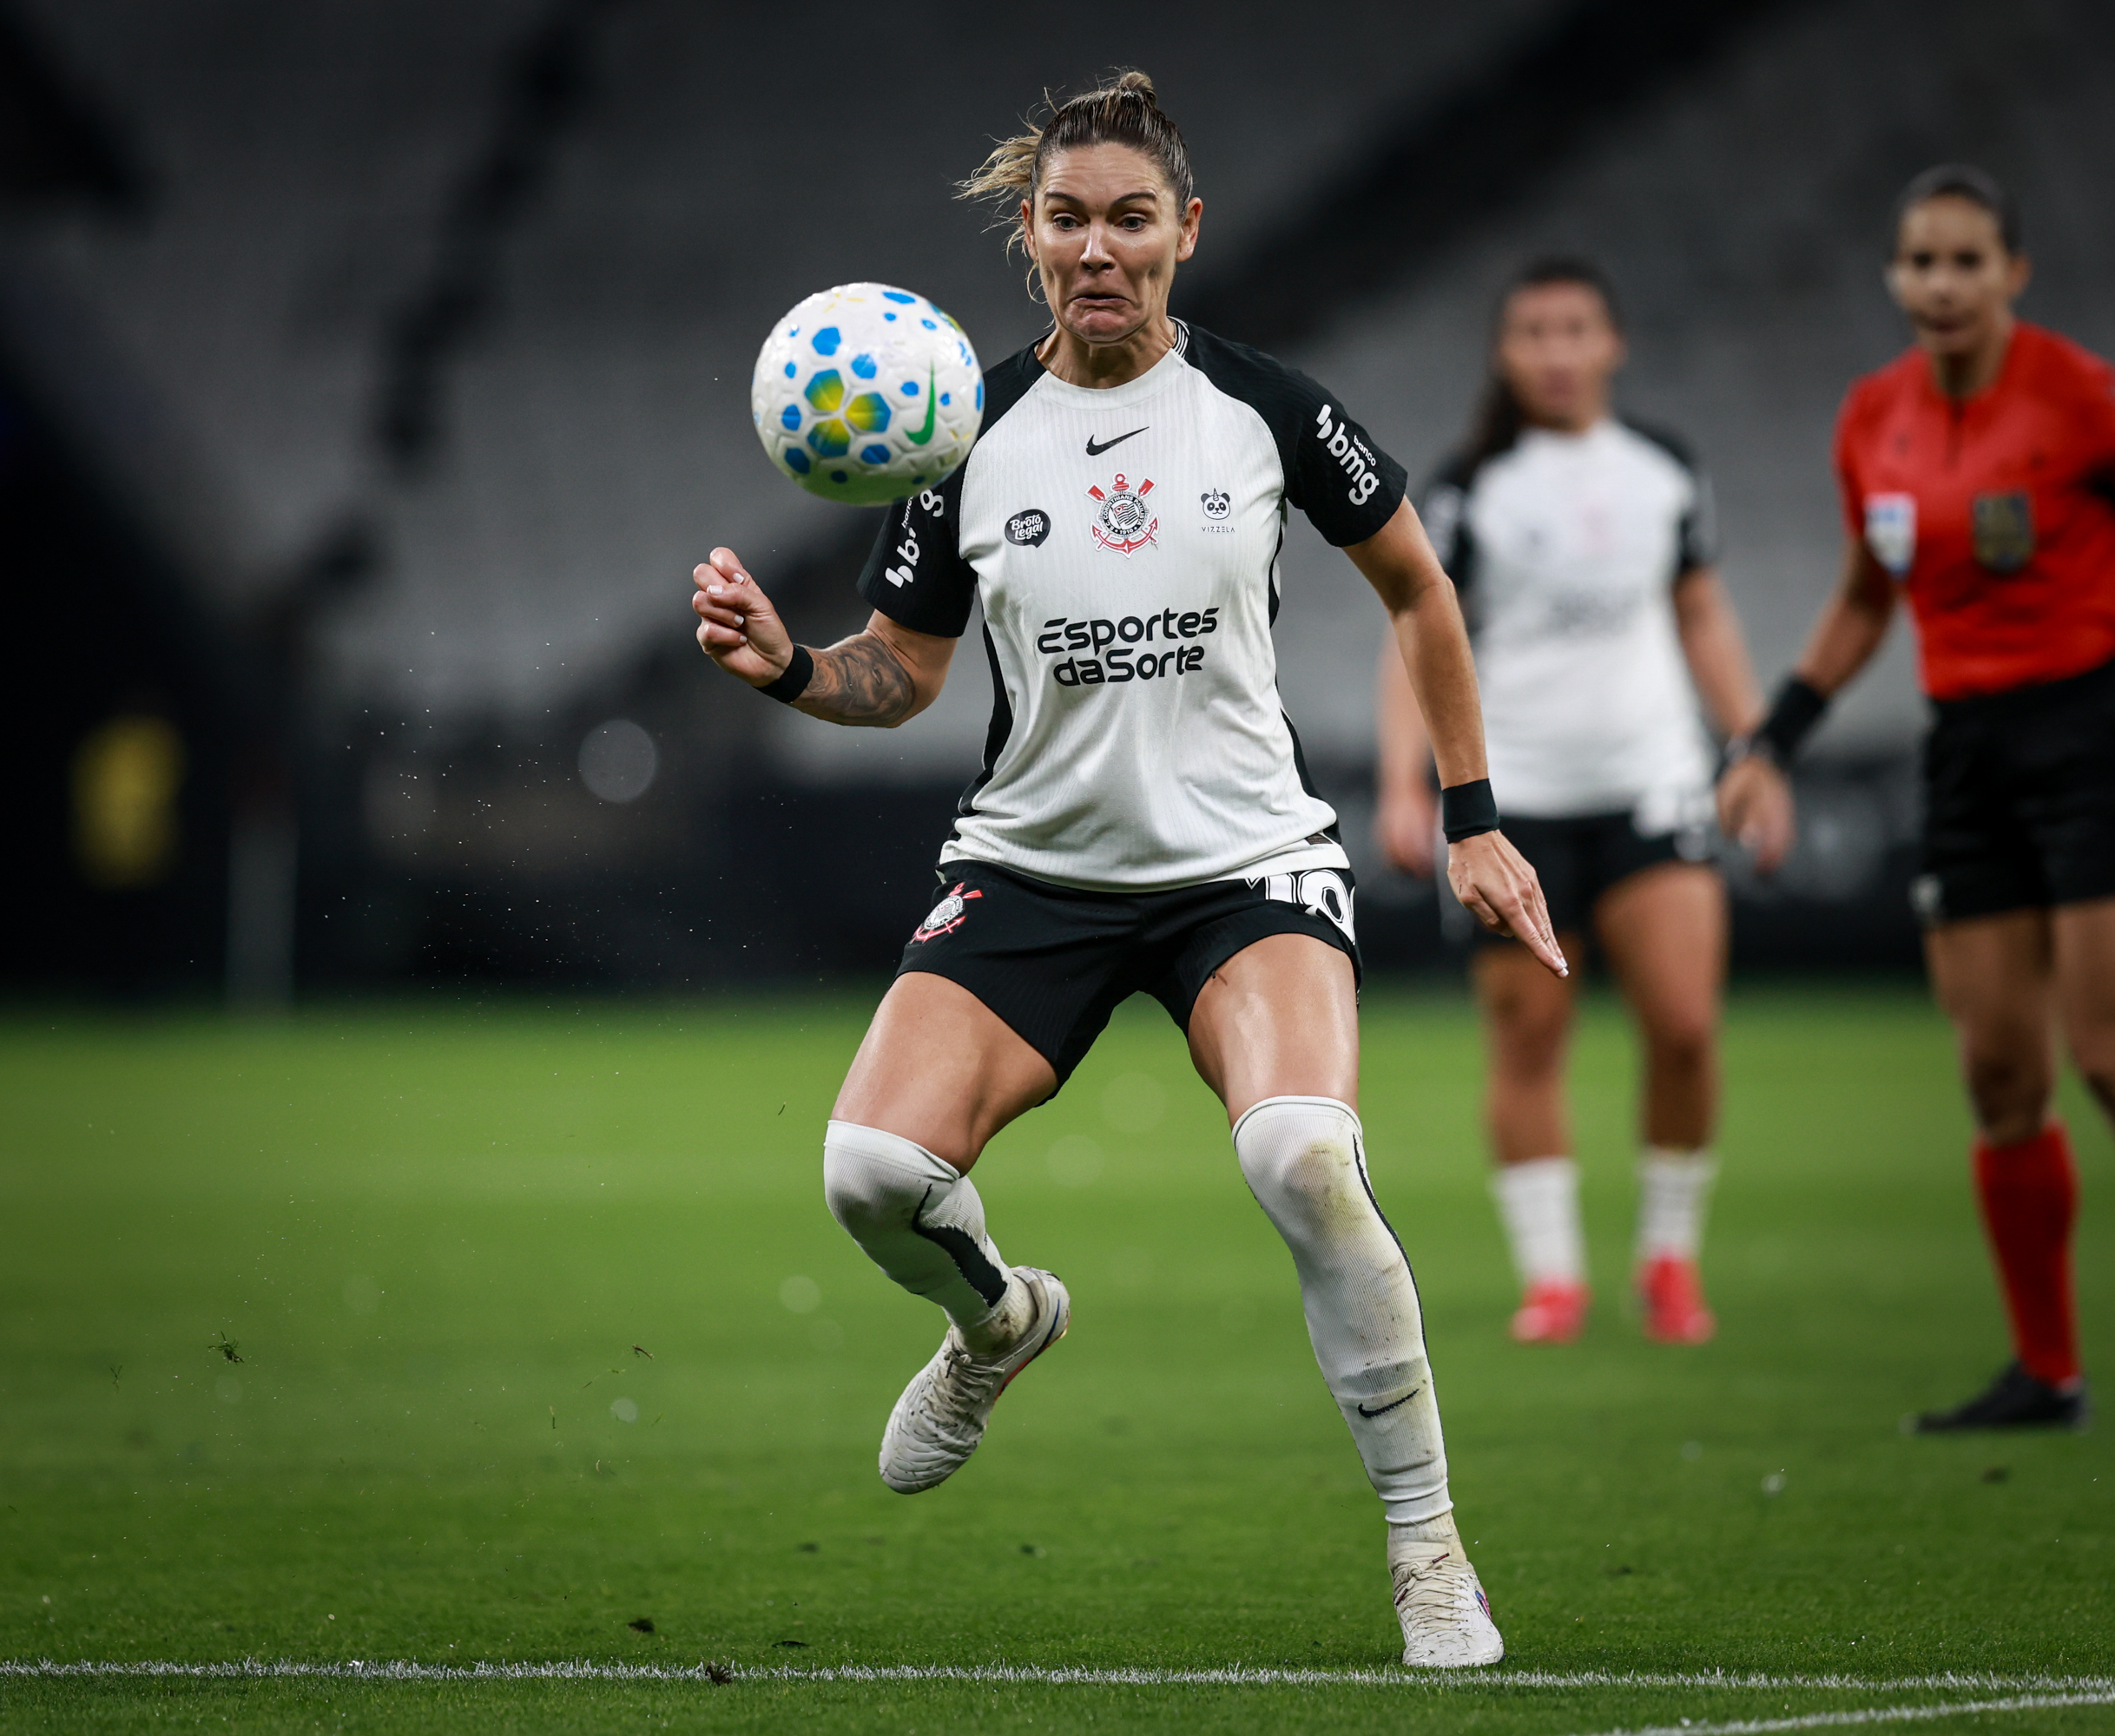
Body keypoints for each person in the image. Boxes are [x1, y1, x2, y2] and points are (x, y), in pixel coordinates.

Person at [691, 72, 1563, 1666]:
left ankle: (1427, 1546)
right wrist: (785, 667)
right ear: (1028, 236)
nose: (1100, 248)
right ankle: (1000, 1323)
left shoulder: (1270, 409)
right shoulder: (962, 443)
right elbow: (900, 671)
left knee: (1302, 1157)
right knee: (869, 1180)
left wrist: (1475, 812)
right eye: (1069, 218)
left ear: (1187, 233)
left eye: (1131, 219)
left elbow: (1421, 595)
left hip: (1245, 863)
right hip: (1033, 868)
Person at [1720, 165, 2112, 1431]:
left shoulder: (2080, 400)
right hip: (1967, 756)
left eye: (1965, 262)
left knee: (2105, 1055)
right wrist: (1771, 736)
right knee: (2002, 1074)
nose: (1940, 285)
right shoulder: (1873, 418)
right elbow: (1865, 599)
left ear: (2014, 274)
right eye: (1919, 263)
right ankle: (2047, 1373)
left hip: (2091, 733)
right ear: (1895, 277)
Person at [1374, 259, 1784, 1346]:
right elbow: (1416, 627)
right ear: (1506, 353)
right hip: (1520, 805)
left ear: (1613, 343)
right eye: (1533, 332)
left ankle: (1668, 1261)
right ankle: (1553, 1278)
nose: (1556, 351)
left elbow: (1701, 611)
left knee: (1687, 1026)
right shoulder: (1470, 487)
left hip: (1654, 784)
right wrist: (1405, 779)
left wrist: (1752, 745)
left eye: (1575, 329)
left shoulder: (1664, 470)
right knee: (1529, 1036)